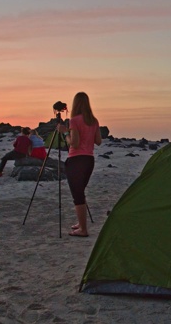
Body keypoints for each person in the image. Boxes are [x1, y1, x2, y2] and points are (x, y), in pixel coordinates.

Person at [57, 92, 102, 237]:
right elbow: (99, 141)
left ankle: (83, 229)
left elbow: (74, 143)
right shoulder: (94, 121)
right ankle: (81, 223)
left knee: (77, 195)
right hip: (89, 160)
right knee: (80, 192)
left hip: (76, 160)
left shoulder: (74, 120)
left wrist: (65, 133)